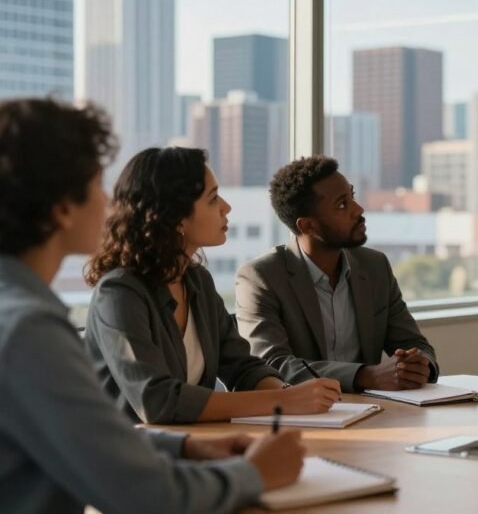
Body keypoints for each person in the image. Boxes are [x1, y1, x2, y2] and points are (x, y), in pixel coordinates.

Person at [0, 98, 305, 514]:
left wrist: (186, 447)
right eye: (96, 184)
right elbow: (146, 495)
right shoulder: (29, 330)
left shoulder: (19, 314)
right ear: (63, 208)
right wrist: (255, 474)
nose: (108, 200)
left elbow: (87, 434)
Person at [84, 147, 341, 424]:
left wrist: (291, 394)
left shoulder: (197, 281)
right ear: (176, 217)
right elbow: (157, 401)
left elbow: (242, 368)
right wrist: (284, 402)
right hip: (127, 458)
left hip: (194, 445)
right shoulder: (119, 293)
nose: (226, 207)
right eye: (213, 198)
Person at [236, 156, 438, 393]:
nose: (359, 210)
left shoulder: (375, 266)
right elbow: (272, 365)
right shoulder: (261, 277)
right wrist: (365, 376)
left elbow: (413, 343)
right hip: (303, 418)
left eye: (352, 196)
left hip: (371, 413)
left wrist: (419, 365)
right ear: (307, 226)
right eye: (342, 204)